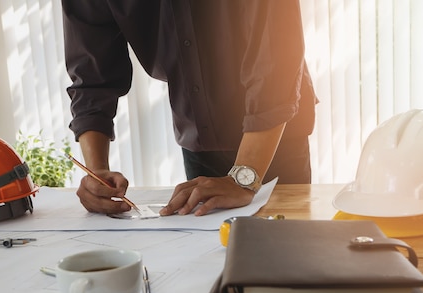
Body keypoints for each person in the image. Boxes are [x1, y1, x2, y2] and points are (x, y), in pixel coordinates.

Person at [62, 0, 317, 216]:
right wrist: (97, 173)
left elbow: (274, 57)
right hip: (200, 132)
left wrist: (244, 177)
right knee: (208, 257)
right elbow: (91, 75)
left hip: (277, 134)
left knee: (284, 257)